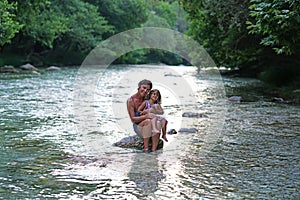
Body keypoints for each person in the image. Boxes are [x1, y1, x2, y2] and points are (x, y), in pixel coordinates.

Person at [127, 79, 160, 152]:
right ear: (138, 87)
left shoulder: (148, 99)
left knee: (158, 122)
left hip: (150, 124)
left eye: (148, 90)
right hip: (138, 126)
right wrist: (145, 116)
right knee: (147, 121)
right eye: (144, 88)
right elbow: (133, 119)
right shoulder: (131, 101)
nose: (145, 91)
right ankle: (146, 149)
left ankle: (154, 151)